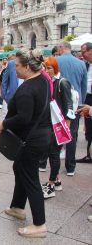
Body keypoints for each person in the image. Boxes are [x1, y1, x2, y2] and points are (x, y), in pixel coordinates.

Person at [0, 49, 52, 238]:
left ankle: (40, 225)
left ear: (27, 67)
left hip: (31, 139)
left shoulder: (28, 88)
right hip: (39, 135)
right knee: (19, 169)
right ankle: (18, 207)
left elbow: (23, 117)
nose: (15, 68)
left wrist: (2, 123)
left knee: (30, 178)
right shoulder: (42, 79)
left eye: (18, 65)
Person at [40, 57, 75, 199]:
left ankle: (51, 184)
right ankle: (57, 181)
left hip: (59, 125)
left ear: (55, 68)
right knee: (51, 153)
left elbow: (69, 105)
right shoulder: (50, 82)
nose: (47, 70)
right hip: (51, 123)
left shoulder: (62, 82)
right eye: (45, 68)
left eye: (49, 68)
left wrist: (66, 127)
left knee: (54, 154)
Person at [57, 41, 87, 176]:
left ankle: (53, 164)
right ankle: (70, 167)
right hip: (75, 104)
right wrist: (81, 103)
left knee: (55, 132)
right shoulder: (81, 64)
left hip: (58, 103)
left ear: (62, 48)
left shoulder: (56, 61)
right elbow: (84, 87)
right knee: (73, 134)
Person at [76, 42, 92, 163]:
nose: (82, 54)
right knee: (89, 128)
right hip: (87, 98)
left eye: (84, 52)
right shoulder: (86, 65)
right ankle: (89, 155)